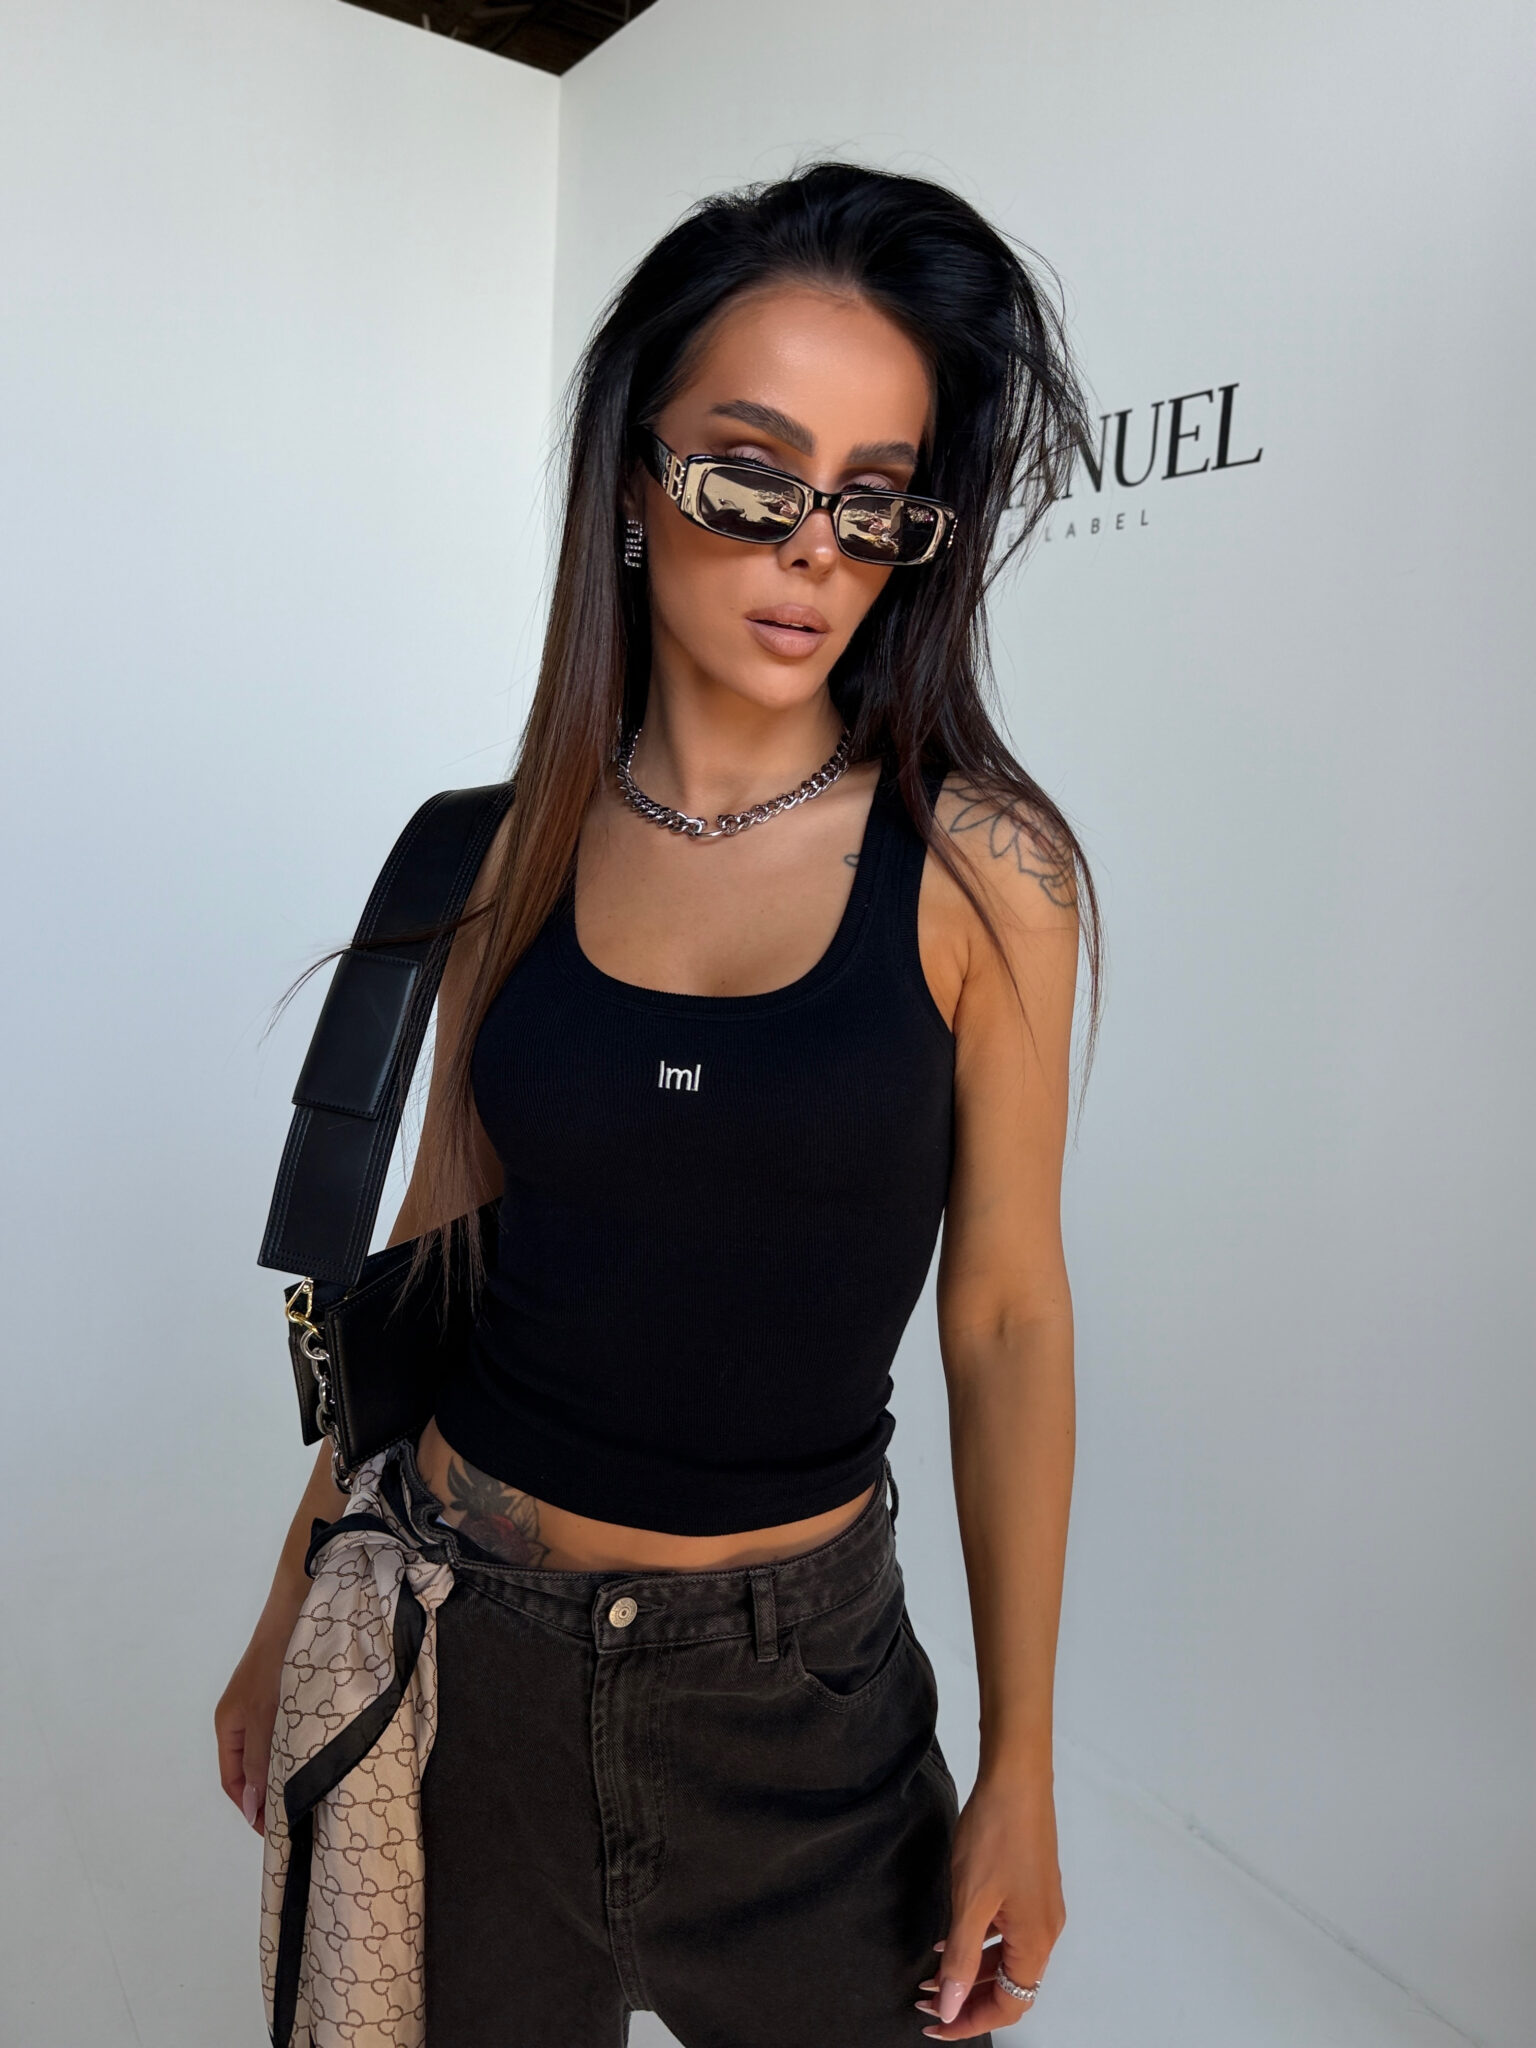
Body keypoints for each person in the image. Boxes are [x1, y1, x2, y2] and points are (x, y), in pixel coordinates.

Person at [216, 160, 1100, 2047]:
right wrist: (293, 1598)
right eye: (751, 479)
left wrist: (1024, 1760)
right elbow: (429, 1272)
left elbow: (1009, 1316)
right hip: (463, 1665)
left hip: (800, 1718)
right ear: (634, 485)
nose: (813, 550)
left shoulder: (984, 871)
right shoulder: (499, 851)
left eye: (873, 500)